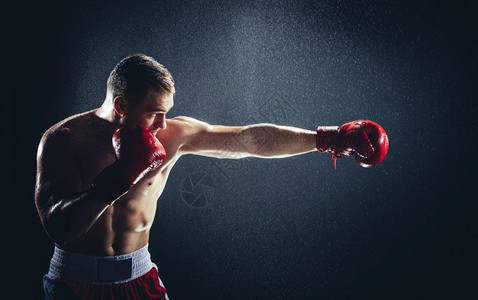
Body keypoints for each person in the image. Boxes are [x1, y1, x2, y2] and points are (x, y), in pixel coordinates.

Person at [35, 53, 389, 300]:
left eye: (166, 114)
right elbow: (58, 227)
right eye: (154, 113)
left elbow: (249, 139)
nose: (162, 125)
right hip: (75, 285)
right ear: (122, 104)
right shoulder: (64, 140)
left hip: (139, 279)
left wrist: (329, 139)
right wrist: (117, 178)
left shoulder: (173, 134)